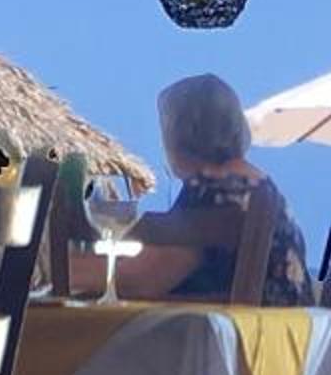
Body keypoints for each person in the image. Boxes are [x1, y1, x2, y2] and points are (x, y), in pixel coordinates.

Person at [91, 74, 313, 306]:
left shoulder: (214, 189)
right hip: (284, 326)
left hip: (230, 329)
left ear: (178, 133)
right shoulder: (260, 186)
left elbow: (143, 280)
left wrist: (68, 269)